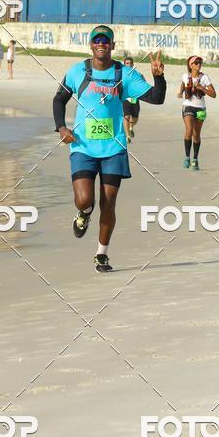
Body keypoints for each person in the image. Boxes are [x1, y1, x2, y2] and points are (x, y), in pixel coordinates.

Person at [53, 25, 166, 273]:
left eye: (106, 41)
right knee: (84, 200)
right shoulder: (78, 71)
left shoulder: (124, 74)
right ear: (91, 45)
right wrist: (61, 128)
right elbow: (59, 99)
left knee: (109, 202)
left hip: (113, 148)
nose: (101, 44)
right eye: (97, 40)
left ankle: (101, 254)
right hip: (83, 147)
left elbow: (157, 98)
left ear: (112, 45)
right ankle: (84, 213)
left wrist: (158, 77)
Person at [177, 55, 216, 170]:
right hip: (188, 106)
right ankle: (187, 157)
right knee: (189, 130)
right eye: (196, 63)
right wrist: (180, 92)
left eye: (200, 63)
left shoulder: (204, 78)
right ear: (191, 65)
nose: (199, 65)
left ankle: (195, 159)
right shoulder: (185, 76)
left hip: (200, 108)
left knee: (196, 135)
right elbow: (183, 84)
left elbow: (214, 94)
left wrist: (201, 88)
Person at [122, 57, 140, 141]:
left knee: (135, 118)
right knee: (126, 116)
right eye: (127, 63)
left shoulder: (137, 74)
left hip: (135, 98)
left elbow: (142, 85)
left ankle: (131, 127)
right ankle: (127, 136)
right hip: (125, 98)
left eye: (130, 63)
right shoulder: (121, 75)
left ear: (133, 64)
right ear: (124, 65)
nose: (128, 65)